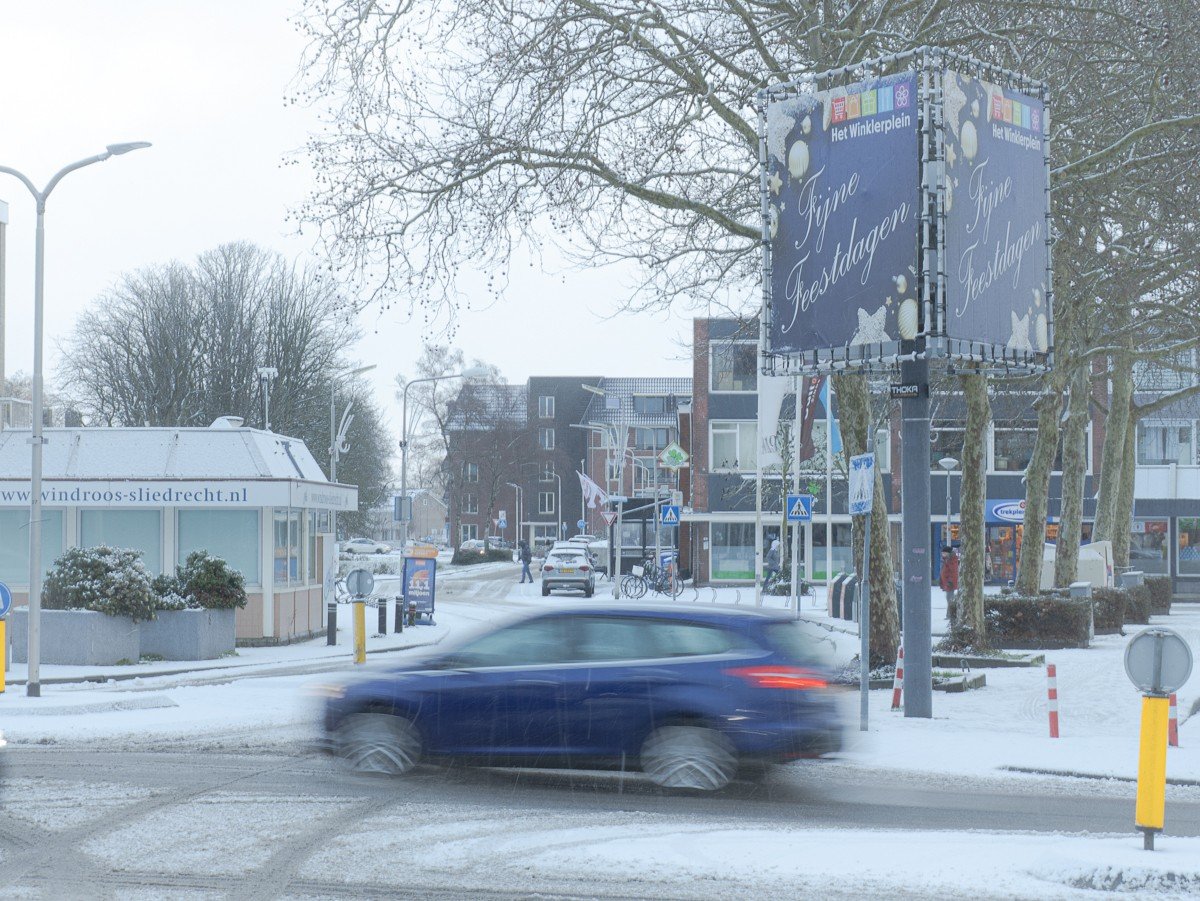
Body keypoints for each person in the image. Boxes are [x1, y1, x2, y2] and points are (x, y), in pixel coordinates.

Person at [940, 546, 959, 618]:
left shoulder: (952, 560)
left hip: (950, 583)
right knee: (949, 599)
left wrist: (950, 582)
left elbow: (953, 572)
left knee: (950, 599)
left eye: (944, 553)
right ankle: (950, 614)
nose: (942, 554)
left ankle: (951, 615)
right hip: (948, 583)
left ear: (948, 553)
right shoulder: (947, 560)